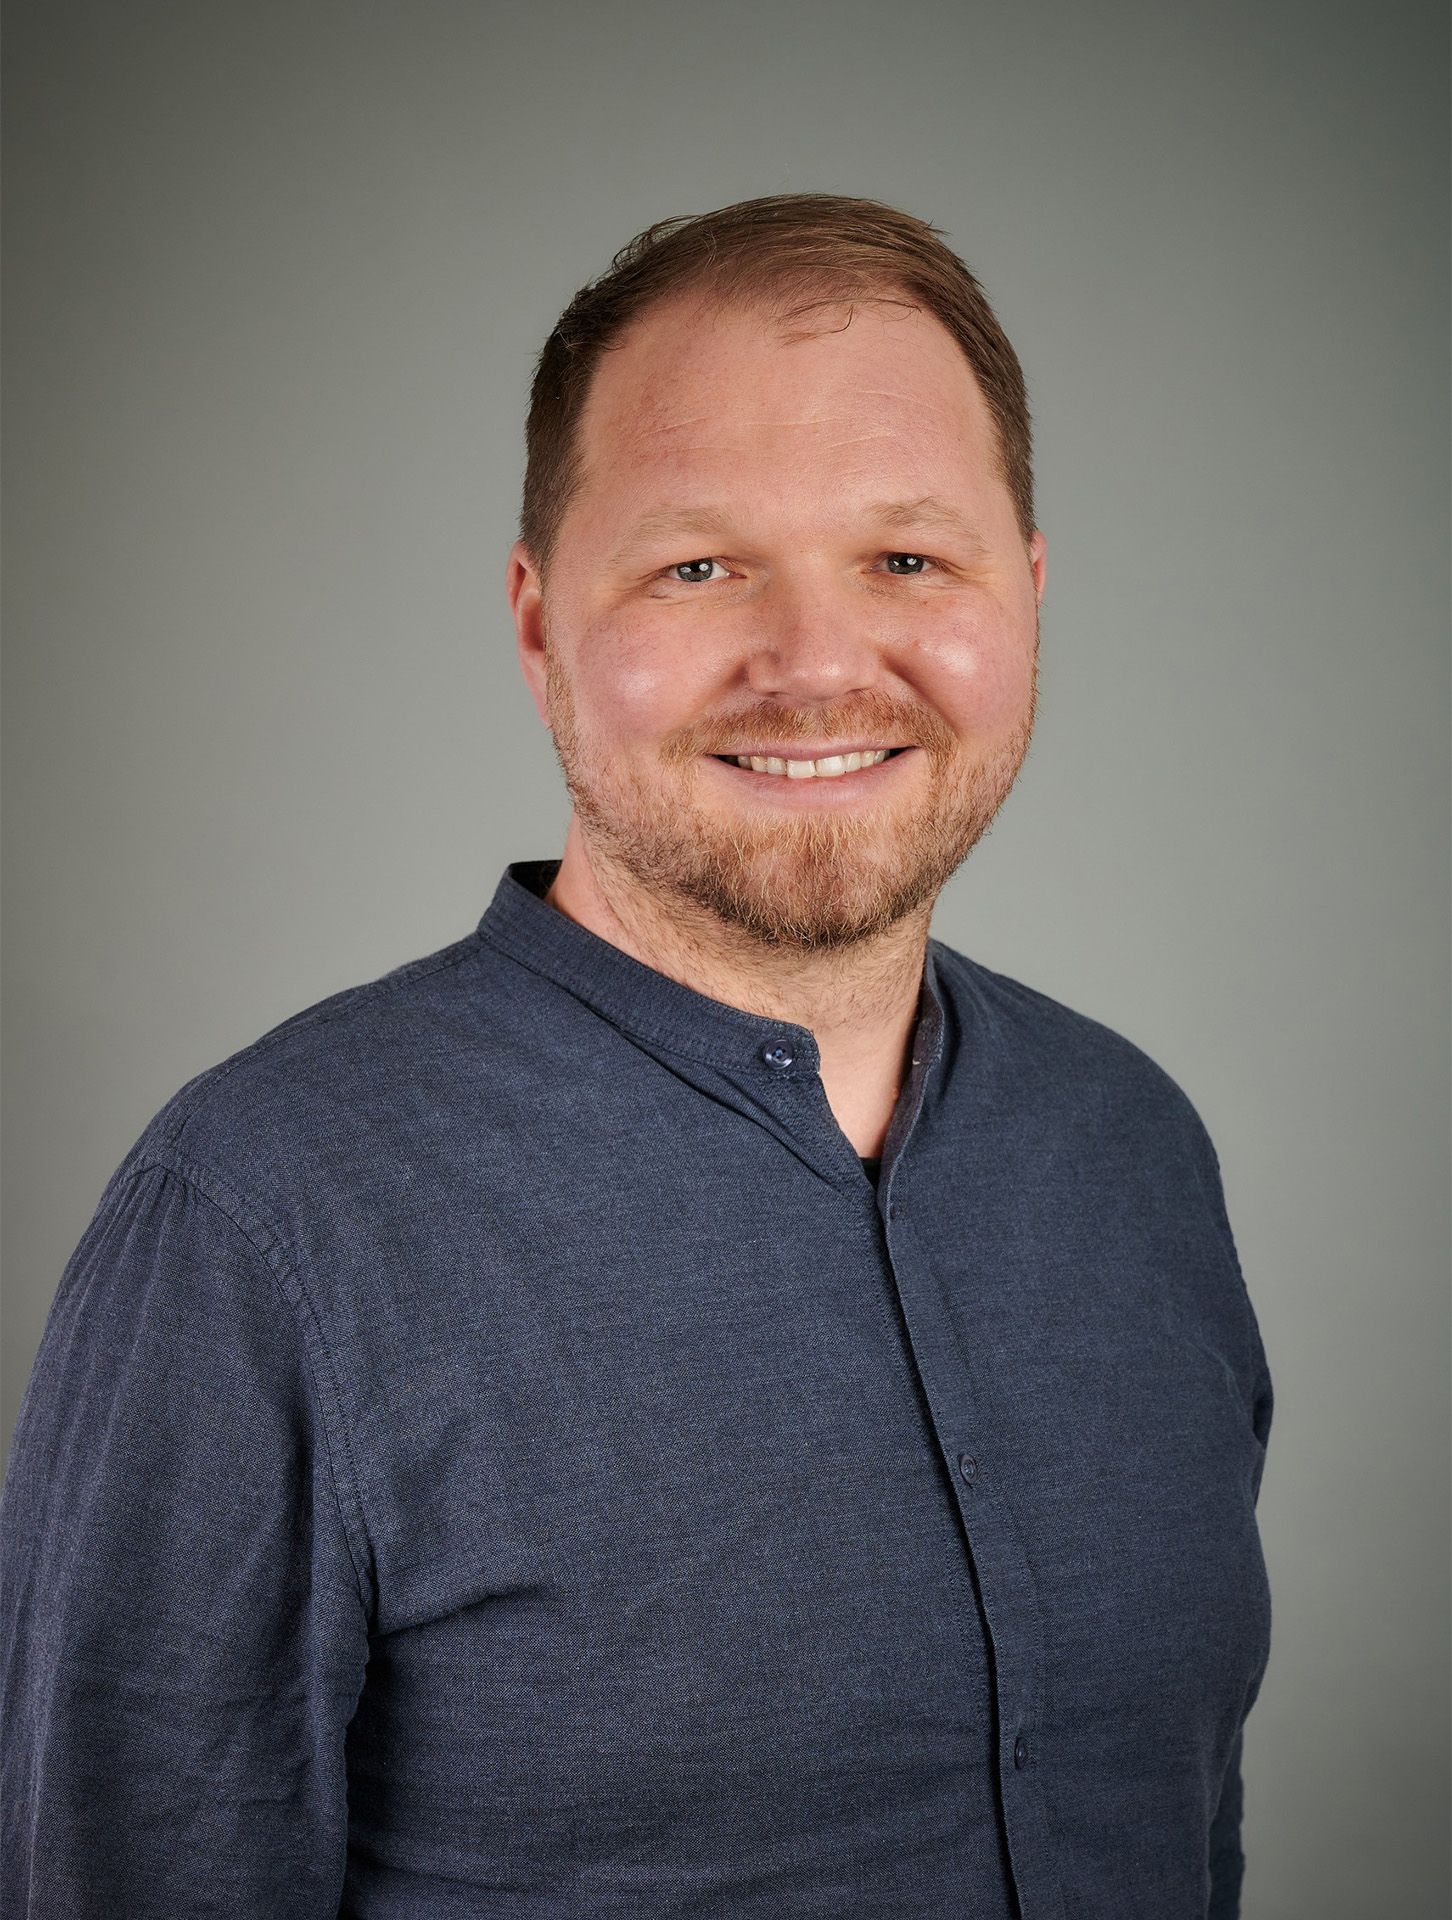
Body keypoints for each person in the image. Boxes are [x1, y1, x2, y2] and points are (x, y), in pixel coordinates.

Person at [0, 195, 1271, 1919]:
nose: (819, 665)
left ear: (1027, 597)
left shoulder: (1134, 1151)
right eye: (700, 565)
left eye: (908, 558)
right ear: (539, 627)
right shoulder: (256, 1227)